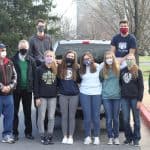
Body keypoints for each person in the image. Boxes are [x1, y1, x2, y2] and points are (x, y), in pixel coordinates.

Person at [12, 40, 36, 141]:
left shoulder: (31, 60)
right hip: (15, 90)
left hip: (28, 90)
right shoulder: (12, 60)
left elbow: (34, 75)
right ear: (18, 48)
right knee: (14, 112)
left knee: (27, 112)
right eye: (21, 47)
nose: (23, 49)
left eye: (25, 47)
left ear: (28, 48)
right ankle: (14, 133)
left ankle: (28, 132)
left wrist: (35, 90)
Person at [79, 52, 103, 145]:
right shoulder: (81, 69)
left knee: (96, 116)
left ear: (92, 59)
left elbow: (107, 61)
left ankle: (96, 136)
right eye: (85, 59)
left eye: (88, 58)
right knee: (87, 116)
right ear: (82, 60)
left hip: (96, 93)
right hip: (84, 93)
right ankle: (87, 136)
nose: (87, 60)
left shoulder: (97, 66)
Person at [120, 54, 144, 146]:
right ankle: (128, 137)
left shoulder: (138, 71)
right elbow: (120, 84)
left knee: (136, 120)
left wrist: (139, 100)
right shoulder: (122, 71)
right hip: (124, 99)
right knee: (125, 120)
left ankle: (136, 138)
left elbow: (141, 87)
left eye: (131, 59)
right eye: (128, 59)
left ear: (134, 60)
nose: (129, 61)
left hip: (135, 99)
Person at [34, 50, 57, 145]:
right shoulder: (39, 69)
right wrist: (37, 97)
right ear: (44, 57)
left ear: (53, 58)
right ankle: (42, 136)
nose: (49, 58)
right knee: (41, 117)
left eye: (51, 56)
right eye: (47, 56)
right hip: (42, 97)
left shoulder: (56, 69)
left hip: (53, 97)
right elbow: (36, 84)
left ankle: (50, 135)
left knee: (51, 117)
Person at [57, 50, 80, 144]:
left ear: (74, 58)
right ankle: (64, 136)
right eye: (68, 55)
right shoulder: (60, 67)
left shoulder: (77, 68)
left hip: (74, 95)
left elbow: (80, 80)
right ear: (65, 56)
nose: (70, 57)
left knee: (71, 116)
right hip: (63, 95)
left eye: (72, 56)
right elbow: (57, 81)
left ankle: (70, 136)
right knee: (64, 116)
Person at [100, 51, 120, 145]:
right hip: (106, 97)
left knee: (115, 118)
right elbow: (100, 81)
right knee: (108, 118)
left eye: (110, 58)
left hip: (117, 97)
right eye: (107, 58)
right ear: (105, 60)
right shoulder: (103, 70)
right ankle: (110, 137)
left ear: (113, 58)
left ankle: (116, 137)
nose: (109, 59)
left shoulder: (118, 69)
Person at [0, 43, 17, 144]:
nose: (3, 52)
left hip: (9, 95)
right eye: (1, 50)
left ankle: (7, 135)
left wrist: (10, 87)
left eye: (4, 50)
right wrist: (2, 87)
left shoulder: (10, 62)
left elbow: (15, 76)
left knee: (9, 116)